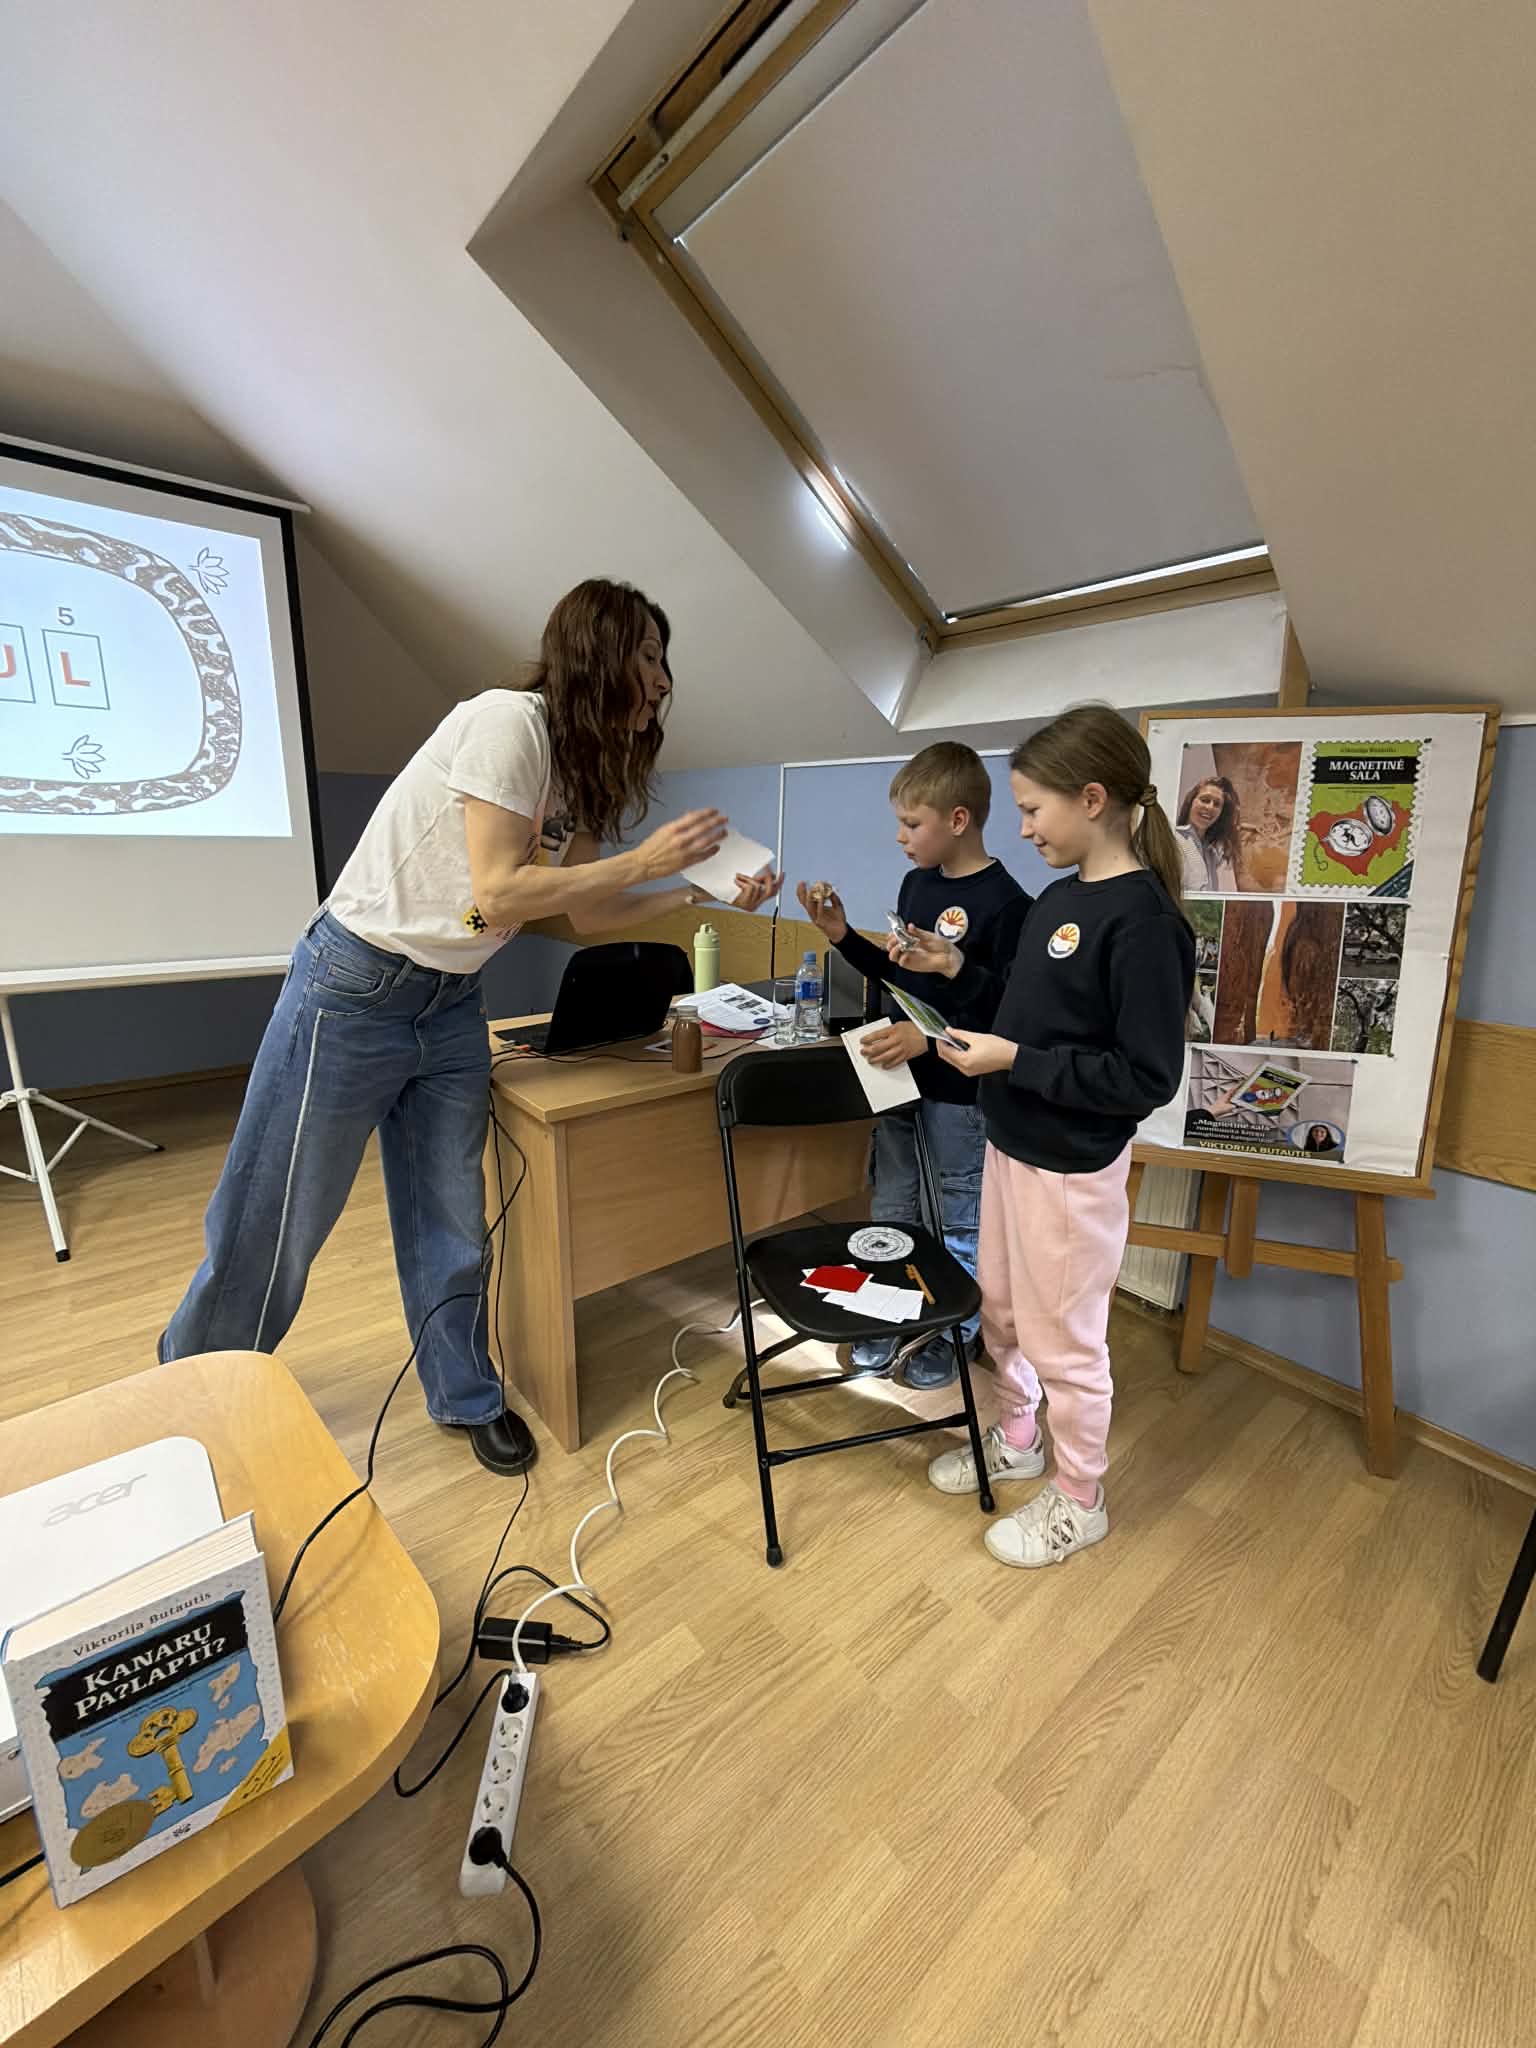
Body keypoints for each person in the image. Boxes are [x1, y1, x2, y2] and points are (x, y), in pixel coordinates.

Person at [159, 579, 779, 1477]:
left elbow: (578, 913)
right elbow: (498, 889)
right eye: (647, 654)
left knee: (451, 1220)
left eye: (662, 658)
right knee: (276, 1217)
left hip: (451, 1000)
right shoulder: (506, 724)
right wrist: (645, 860)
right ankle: (189, 1400)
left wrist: (693, 890)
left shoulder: (574, 770)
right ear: (598, 654)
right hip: (353, 985)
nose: (662, 678)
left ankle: (465, 1394)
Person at [893, 706, 1193, 1567]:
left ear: (1092, 799)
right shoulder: (1059, 900)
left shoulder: (1145, 922)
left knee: (1066, 1340)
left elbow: (1144, 1078)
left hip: (1071, 1169)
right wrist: (954, 968)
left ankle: (1079, 1496)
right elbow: (1020, 1010)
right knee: (1002, 1310)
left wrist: (1015, 1059)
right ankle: (1019, 1437)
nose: (1022, 828)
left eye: (1032, 809)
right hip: (1009, 1143)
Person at [796, 743, 1027, 1388]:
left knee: (955, 1220)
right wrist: (842, 937)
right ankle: (888, 1316)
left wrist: (930, 1038)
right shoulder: (916, 884)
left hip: (959, 1095)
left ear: (958, 820)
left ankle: (950, 1336)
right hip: (897, 1081)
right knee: (894, 1211)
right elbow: (899, 981)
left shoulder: (1009, 905)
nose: (899, 837)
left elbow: (1006, 1013)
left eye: (911, 823)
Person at [1176, 775, 1241, 892]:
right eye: (1205, 800)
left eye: (1217, 804)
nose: (1210, 807)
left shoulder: (1212, 853)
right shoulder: (1172, 838)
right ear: (1191, 802)